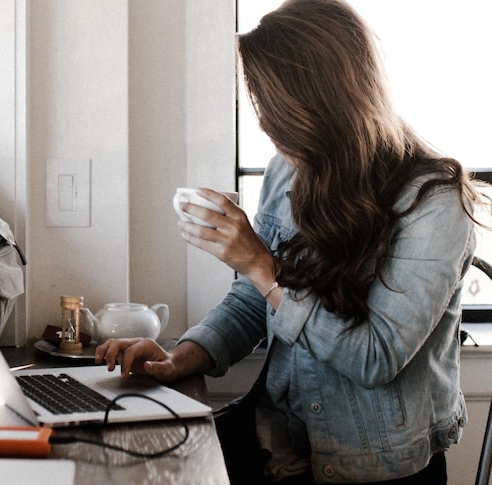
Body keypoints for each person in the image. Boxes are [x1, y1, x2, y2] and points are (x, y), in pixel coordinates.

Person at [95, 0, 487, 483]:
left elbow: (375, 356)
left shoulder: (434, 203)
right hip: (276, 441)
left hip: (372, 465)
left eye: (272, 108)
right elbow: (253, 302)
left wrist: (262, 266)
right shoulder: (290, 170)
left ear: (322, 100)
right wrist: (178, 358)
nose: (265, 125)